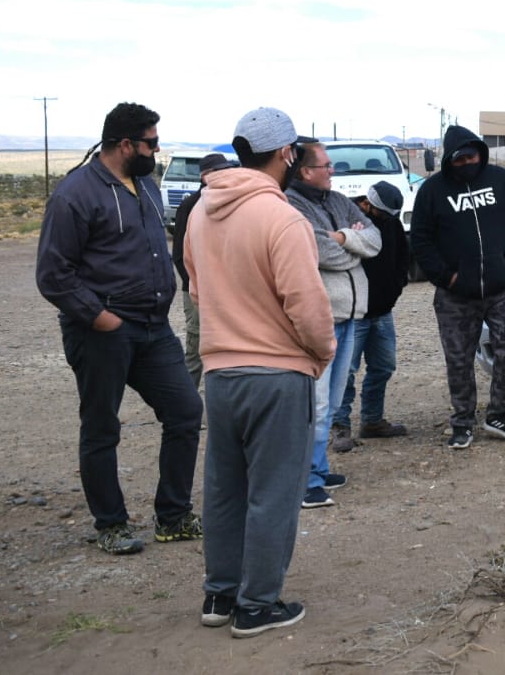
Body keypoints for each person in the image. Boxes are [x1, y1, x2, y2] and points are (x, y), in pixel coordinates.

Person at [184, 107, 335, 638]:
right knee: (273, 492)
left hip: (221, 375)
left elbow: (197, 289)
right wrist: (322, 353)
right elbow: (308, 306)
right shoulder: (282, 218)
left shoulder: (202, 211)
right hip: (276, 375)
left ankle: (220, 595)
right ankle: (257, 605)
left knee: (224, 490)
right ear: (285, 154)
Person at [35, 102, 204, 555]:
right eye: (151, 142)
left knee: (187, 411)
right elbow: (53, 274)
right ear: (125, 144)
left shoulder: (145, 186)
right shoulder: (76, 193)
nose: (157, 149)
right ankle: (110, 524)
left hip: (153, 328)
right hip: (102, 330)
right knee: (101, 426)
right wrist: (99, 316)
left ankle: (172, 516)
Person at [411, 124, 505, 449]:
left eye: (471, 155)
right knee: (459, 359)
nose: (467, 162)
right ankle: (462, 421)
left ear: (480, 152)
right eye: (459, 158)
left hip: (501, 287)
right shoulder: (432, 191)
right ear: (449, 160)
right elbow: (420, 240)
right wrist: (446, 276)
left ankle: (499, 414)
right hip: (455, 294)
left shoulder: (500, 180)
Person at [286, 142, 382, 508]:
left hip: (350, 318)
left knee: (332, 399)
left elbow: (375, 240)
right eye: (325, 165)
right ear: (305, 171)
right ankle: (305, 481)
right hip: (321, 320)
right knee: (317, 403)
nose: (332, 171)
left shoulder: (338, 199)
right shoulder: (292, 205)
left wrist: (345, 237)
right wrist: (350, 244)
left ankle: (319, 468)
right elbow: (318, 251)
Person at [331, 182, 410, 452]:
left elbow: (403, 258)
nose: (389, 219)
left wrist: (396, 287)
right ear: (367, 204)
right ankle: (340, 427)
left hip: (382, 312)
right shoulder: (348, 223)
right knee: (345, 372)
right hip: (354, 315)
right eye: (384, 213)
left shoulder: (391, 224)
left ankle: (372, 420)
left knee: (384, 367)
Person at [170, 153, 236, 392]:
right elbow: (179, 254)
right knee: (197, 346)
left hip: (228, 290)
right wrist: (197, 285)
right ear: (204, 176)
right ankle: (187, 406)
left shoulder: (233, 203)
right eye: (217, 171)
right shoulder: (190, 206)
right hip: (197, 291)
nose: (223, 175)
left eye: (226, 170)